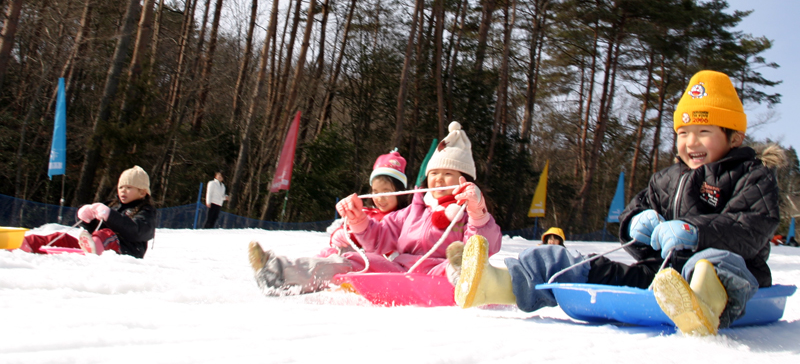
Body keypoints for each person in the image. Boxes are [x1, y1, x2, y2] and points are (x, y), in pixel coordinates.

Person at [453, 71, 781, 337]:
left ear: (734, 137)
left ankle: (702, 304)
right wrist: (636, 222)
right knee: (565, 261)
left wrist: (695, 232)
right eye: (682, 132)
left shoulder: (752, 175)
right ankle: (496, 284)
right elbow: (634, 215)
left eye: (703, 131)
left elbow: (750, 227)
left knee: (712, 262)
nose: (690, 142)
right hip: (662, 276)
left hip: (733, 271)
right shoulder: (667, 179)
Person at [248, 121, 502, 294]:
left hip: (440, 270)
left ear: (465, 179)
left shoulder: (469, 213)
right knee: (354, 259)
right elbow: (380, 238)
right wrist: (359, 221)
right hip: (400, 269)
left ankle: (465, 281)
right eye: (434, 173)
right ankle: (279, 273)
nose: (438, 179)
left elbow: (484, 245)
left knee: (457, 262)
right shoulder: (414, 211)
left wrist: (477, 213)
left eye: (448, 173)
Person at [20, 165, 157, 258]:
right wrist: (87, 219)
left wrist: (111, 216)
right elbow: (94, 230)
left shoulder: (145, 211)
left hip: (127, 251)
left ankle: (95, 246)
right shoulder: (112, 205)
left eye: (129, 187)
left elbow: (138, 231)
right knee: (62, 237)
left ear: (142, 192)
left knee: (106, 235)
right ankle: (28, 243)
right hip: (97, 244)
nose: (123, 191)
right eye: (121, 187)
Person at [321, 150, 411, 256]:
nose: (380, 198)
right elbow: (348, 228)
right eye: (375, 192)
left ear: (400, 192)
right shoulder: (365, 213)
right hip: (355, 263)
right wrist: (341, 235)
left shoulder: (404, 217)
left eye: (386, 192)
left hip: (384, 266)